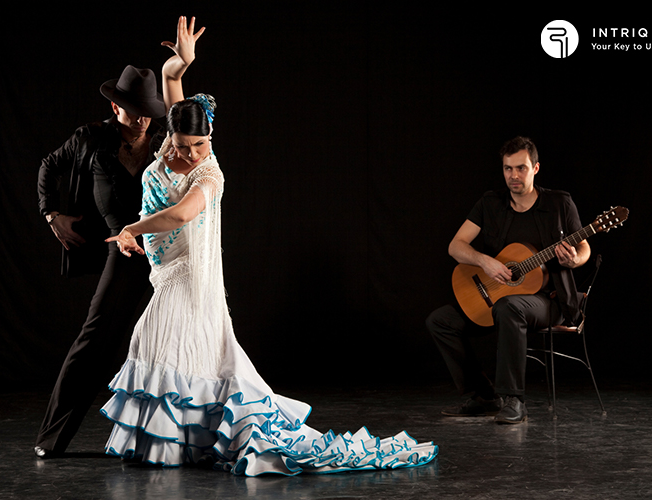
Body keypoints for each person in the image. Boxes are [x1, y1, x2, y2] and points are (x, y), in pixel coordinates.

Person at [99, 16, 438, 476]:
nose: (191, 153)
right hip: (165, 272)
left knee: (156, 344)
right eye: (182, 145)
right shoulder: (169, 148)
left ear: (210, 140)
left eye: (200, 145)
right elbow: (171, 78)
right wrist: (181, 61)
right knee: (179, 356)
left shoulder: (209, 172)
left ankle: (173, 446)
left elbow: (180, 215)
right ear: (170, 135)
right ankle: (182, 444)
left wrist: (132, 231)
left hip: (190, 280)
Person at [34, 64, 168, 458]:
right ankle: (52, 438)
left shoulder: (163, 141)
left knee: (165, 343)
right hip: (121, 251)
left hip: (166, 249)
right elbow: (48, 167)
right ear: (115, 106)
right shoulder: (90, 139)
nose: (143, 118)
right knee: (95, 341)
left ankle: (170, 443)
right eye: (134, 110)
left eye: (148, 110)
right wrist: (51, 213)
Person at [425, 136, 590, 424]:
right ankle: (486, 396)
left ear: (536, 168)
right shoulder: (490, 203)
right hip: (497, 294)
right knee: (440, 321)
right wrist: (484, 261)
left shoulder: (560, 203)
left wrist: (574, 259)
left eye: (521, 168)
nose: (514, 176)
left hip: (547, 300)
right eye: (508, 169)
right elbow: (456, 246)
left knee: (509, 307)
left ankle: (514, 401)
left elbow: (584, 247)